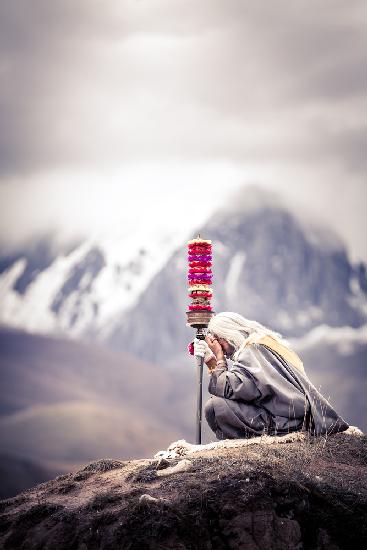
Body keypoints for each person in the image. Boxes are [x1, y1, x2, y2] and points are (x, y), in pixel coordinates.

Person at [193, 312, 349, 440]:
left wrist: (218, 358)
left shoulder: (253, 349)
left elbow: (233, 389)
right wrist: (213, 361)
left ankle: (249, 444)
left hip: (285, 420)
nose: (223, 350)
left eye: (220, 343)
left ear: (227, 336)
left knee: (214, 407)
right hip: (291, 415)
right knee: (219, 405)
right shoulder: (262, 343)